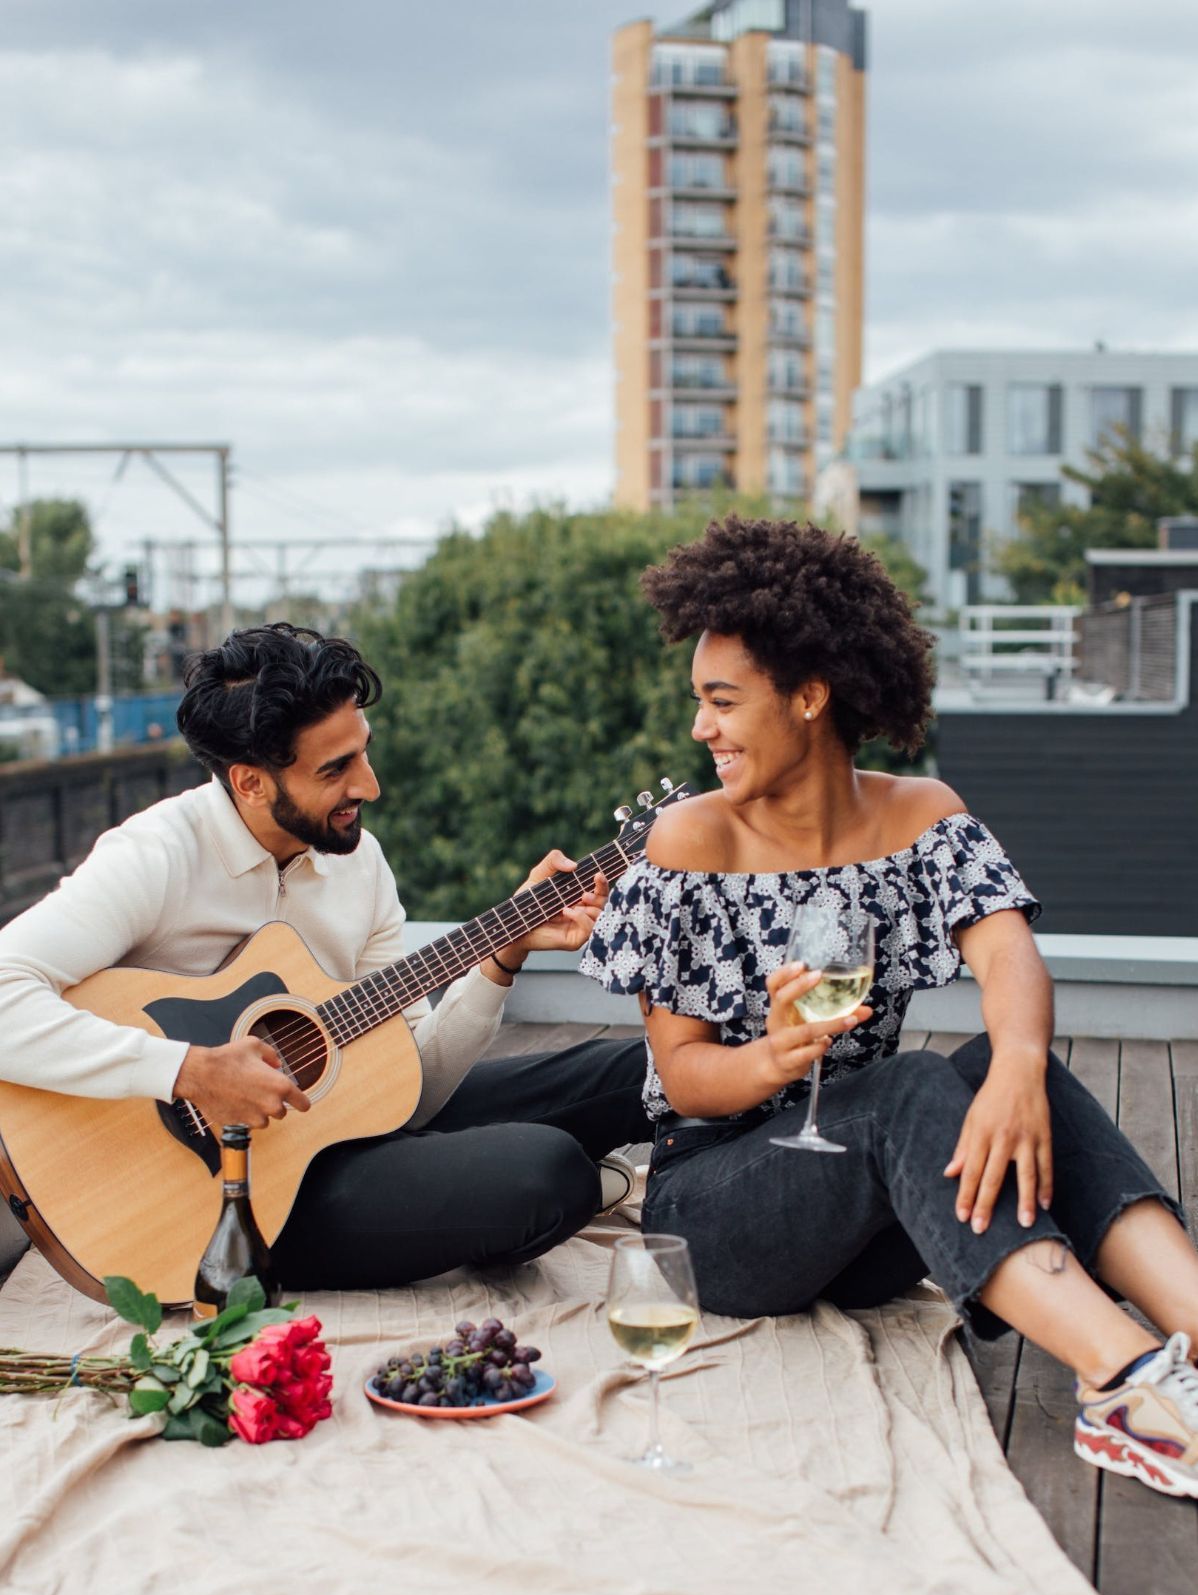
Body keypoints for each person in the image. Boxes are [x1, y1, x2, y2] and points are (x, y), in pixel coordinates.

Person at [581, 516, 1198, 1500]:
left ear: (809, 696)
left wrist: (1017, 1070)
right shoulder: (685, 843)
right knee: (923, 1082)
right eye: (700, 702)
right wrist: (776, 1059)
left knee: (1011, 1076)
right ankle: (1129, 1382)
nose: (701, 728)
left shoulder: (919, 816)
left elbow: (1008, 956)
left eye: (723, 701)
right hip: (718, 1221)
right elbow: (685, 1074)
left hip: (873, 1222)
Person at [0, 622, 650, 1288]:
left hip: (343, 1126)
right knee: (542, 1173)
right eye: (336, 769)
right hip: (235, 1202)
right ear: (250, 783)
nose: (369, 786)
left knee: (636, 1069)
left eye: (363, 752)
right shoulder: (157, 856)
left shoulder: (359, 863)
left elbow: (413, 1085)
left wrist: (500, 959)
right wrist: (188, 1070)